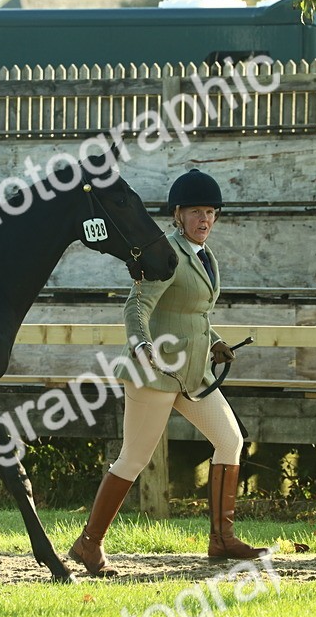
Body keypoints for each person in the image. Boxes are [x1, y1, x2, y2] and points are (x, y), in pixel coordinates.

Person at [69, 168, 267, 577]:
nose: (205, 220)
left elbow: (192, 313)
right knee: (134, 458)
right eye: (196, 211)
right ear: (178, 215)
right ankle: (89, 545)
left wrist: (214, 341)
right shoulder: (165, 253)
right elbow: (135, 307)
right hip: (156, 372)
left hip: (193, 373)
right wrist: (141, 345)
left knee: (229, 440)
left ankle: (222, 538)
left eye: (211, 212)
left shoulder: (205, 255)